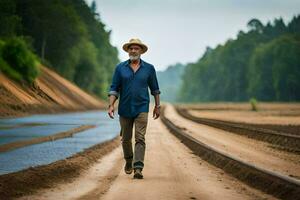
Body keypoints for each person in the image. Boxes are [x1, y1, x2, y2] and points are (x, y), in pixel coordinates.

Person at [107, 38, 161, 179]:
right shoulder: (120, 68)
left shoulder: (149, 68)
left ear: (141, 51)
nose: (133, 51)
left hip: (142, 107)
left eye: (136, 48)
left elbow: (155, 89)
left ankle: (138, 167)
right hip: (124, 108)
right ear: (128, 51)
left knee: (140, 137)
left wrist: (157, 106)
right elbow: (114, 88)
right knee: (125, 139)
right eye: (131, 48)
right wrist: (111, 105)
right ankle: (129, 160)